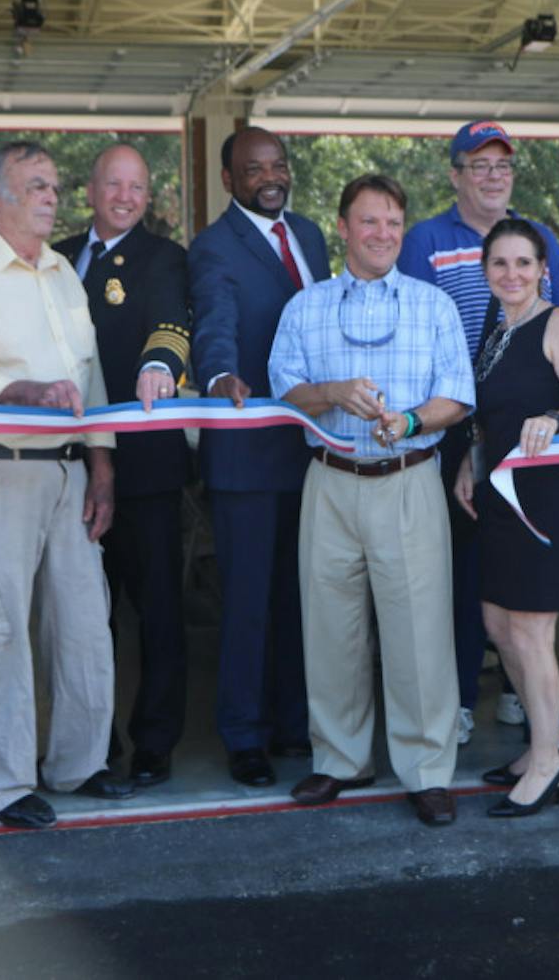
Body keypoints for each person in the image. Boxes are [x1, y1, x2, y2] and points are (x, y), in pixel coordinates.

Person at [0, 141, 132, 829]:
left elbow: (89, 371)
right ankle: (1, 783)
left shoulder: (65, 271)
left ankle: (79, 762)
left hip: (67, 472)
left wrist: (101, 462)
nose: (51, 196)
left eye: (53, 185)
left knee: (83, 622)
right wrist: (25, 391)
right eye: (35, 185)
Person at [269, 174, 473, 827]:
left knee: (419, 634)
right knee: (331, 628)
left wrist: (409, 421)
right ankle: (340, 759)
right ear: (343, 228)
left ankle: (426, 769)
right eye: (368, 221)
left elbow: (458, 396)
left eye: (392, 222)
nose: (382, 234)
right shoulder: (306, 305)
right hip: (329, 478)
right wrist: (329, 391)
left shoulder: (432, 304)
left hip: (409, 476)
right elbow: (285, 387)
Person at [398, 119, 559, 744]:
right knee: (467, 570)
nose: (493, 176)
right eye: (480, 165)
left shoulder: (538, 237)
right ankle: (465, 694)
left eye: (503, 165)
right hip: (455, 431)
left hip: (527, 432)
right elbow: (416, 333)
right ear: (455, 175)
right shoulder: (424, 240)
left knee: (521, 576)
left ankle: (528, 704)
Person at [188, 127, 332, 787]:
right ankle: (243, 735)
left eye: (278, 165)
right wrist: (218, 376)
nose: (269, 177)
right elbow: (215, 321)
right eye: (254, 169)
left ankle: (294, 723)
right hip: (247, 452)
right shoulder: (215, 246)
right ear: (228, 179)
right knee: (248, 600)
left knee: (303, 597)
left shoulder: (309, 233)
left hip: (312, 451)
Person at [56, 144, 191, 789]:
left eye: (137, 186)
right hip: (64, 462)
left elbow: (169, 323)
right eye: (115, 184)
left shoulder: (164, 257)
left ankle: (155, 740)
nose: (126, 197)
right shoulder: (52, 256)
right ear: (91, 190)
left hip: (144, 465)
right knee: (84, 613)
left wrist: (158, 364)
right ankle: (94, 738)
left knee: (157, 607)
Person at [455, 219, 559, 817]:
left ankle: (547, 760)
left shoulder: (558, 323)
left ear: (544, 269)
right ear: (486, 272)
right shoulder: (495, 328)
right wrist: (470, 456)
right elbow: (490, 414)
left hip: (548, 496)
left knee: (532, 630)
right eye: (499, 264)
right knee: (496, 620)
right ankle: (549, 738)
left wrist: (557, 420)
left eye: (523, 264)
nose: (511, 275)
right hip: (497, 491)